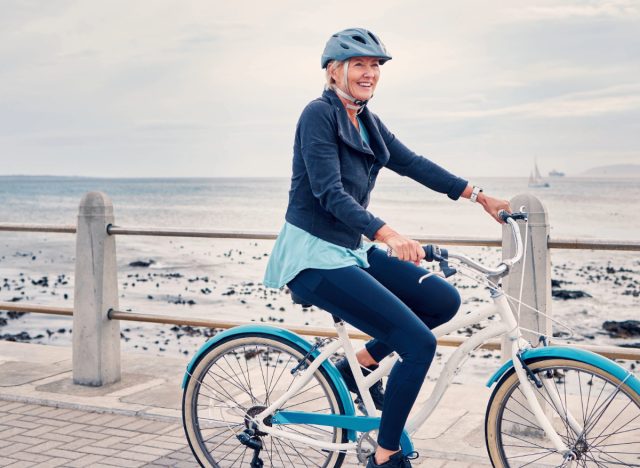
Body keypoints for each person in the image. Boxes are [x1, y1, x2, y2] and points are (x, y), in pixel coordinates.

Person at [263, 27, 510, 468]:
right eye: (359, 64)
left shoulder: (369, 124)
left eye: (375, 66)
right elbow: (329, 194)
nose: (369, 73)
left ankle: (357, 364)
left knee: (441, 299)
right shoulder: (317, 115)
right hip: (313, 255)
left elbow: (414, 164)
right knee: (417, 344)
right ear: (334, 71)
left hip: (348, 249)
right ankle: (385, 453)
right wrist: (388, 234)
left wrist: (478, 195)